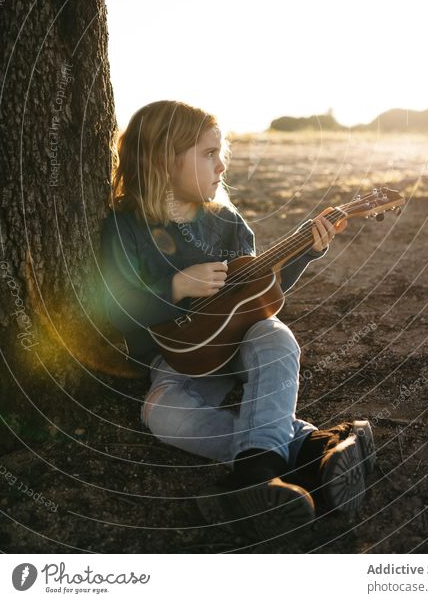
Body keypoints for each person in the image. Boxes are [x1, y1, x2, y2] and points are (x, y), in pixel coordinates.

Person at [100, 100, 375, 541]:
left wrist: (308, 247)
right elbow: (116, 305)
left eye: (221, 152)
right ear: (163, 159)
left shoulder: (224, 222)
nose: (222, 164)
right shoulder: (126, 228)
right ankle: (316, 451)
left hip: (242, 349)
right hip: (179, 362)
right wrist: (176, 288)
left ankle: (254, 477)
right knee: (162, 415)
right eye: (209, 153)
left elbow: (261, 290)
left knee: (276, 337)